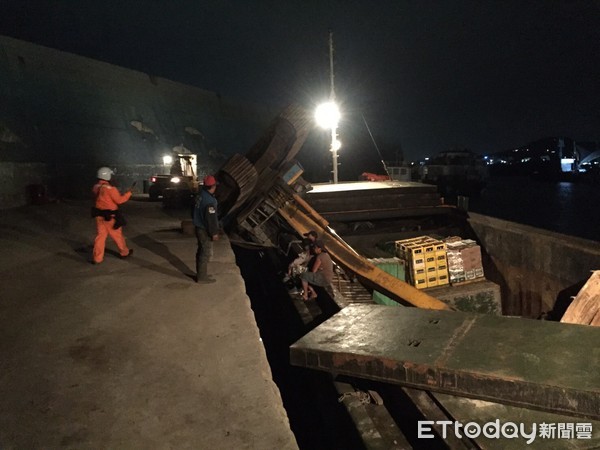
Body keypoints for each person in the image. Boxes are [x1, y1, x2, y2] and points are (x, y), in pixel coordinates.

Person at [91, 166, 133, 264]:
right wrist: (128, 194)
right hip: (111, 217)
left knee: (100, 237)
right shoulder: (110, 189)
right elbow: (119, 200)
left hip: (99, 215)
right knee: (117, 236)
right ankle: (124, 252)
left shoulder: (95, 187)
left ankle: (97, 258)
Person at [193, 174, 219, 283]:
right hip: (204, 229)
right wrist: (214, 233)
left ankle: (201, 273)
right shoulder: (210, 201)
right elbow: (210, 219)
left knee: (201, 250)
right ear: (213, 186)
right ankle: (202, 277)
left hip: (198, 226)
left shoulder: (200, 195)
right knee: (205, 252)